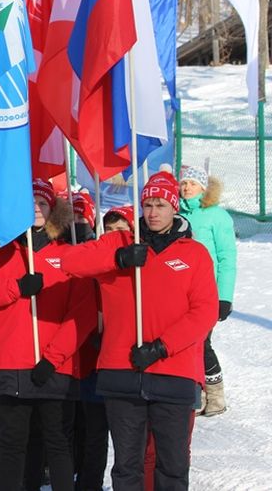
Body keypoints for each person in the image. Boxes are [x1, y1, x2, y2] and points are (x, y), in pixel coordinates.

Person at [61, 170, 219, 490]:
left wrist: (161, 347)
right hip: (122, 369)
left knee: (172, 464)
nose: (153, 212)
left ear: (174, 207)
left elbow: (204, 312)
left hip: (174, 370)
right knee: (126, 465)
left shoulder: (194, 254)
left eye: (161, 204)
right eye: (147, 204)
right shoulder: (119, 242)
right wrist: (118, 258)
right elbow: (70, 262)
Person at [0, 179, 97, 491]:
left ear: (53, 211)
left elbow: (82, 314)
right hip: (8, 364)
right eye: (29, 202)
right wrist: (16, 288)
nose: (35, 208)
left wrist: (53, 358)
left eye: (42, 203)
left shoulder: (70, 254)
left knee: (57, 443)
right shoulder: (0, 253)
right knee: (11, 445)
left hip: (54, 368)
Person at [179, 165, 236, 417]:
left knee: (202, 342)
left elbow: (226, 257)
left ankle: (215, 395)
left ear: (204, 187)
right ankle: (196, 392)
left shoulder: (216, 216)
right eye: (183, 183)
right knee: (185, 341)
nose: (187, 187)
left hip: (207, 291)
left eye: (192, 183)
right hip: (181, 290)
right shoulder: (175, 214)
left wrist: (224, 296)